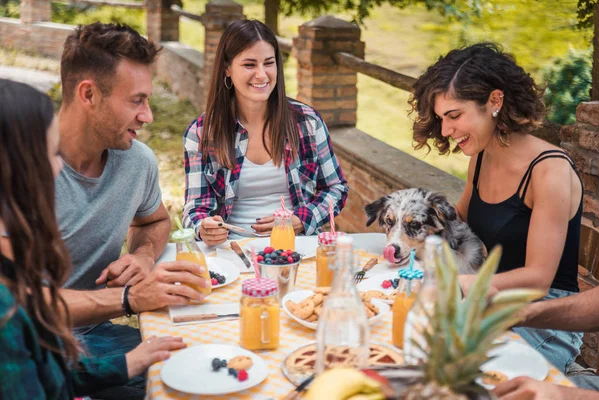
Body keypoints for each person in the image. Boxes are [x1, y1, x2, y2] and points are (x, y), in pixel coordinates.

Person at [0, 79, 187, 399]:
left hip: (74, 354)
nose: (59, 168)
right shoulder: (7, 309)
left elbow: (53, 368)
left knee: (181, 364)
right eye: (49, 154)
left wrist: (131, 362)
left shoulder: (138, 161)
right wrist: (130, 298)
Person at [55, 23, 209, 399]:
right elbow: (14, 305)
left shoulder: (136, 161)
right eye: (136, 100)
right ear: (89, 94)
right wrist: (128, 299)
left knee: (203, 366)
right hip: (29, 345)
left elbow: (155, 220)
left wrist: (142, 255)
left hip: (97, 334)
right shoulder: (21, 167)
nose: (148, 116)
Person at [410, 42, 583, 373]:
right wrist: (414, 229)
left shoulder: (550, 171)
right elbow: (459, 220)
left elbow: (538, 279)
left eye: (454, 116)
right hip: (486, 301)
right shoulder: (482, 154)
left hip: (544, 320)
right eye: (440, 118)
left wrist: (457, 285)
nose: (445, 130)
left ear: (495, 101)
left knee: (443, 369)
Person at [182, 19, 348, 245]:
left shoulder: (308, 122)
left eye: (268, 63)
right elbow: (195, 208)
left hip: (298, 245)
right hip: (232, 249)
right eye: (249, 65)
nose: (262, 75)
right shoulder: (202, 133)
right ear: (227, 69)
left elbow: (335, 188)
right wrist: (203, 227)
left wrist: (301, 219)